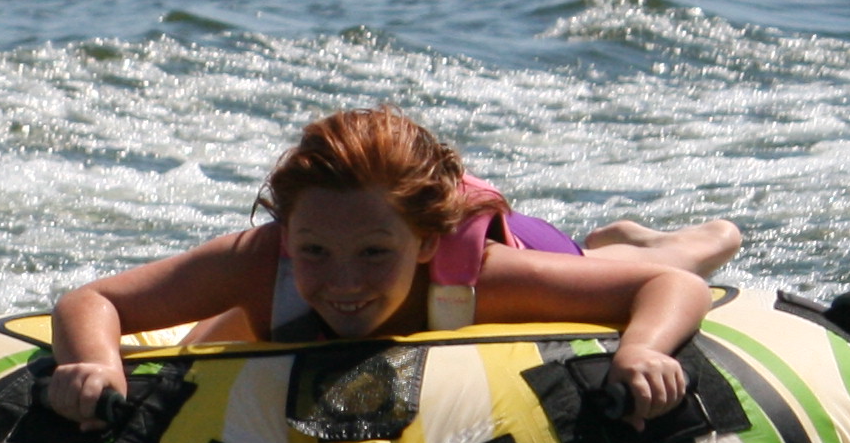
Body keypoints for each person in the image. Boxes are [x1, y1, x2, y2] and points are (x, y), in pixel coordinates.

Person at [45, 108, 721, 423]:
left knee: (650, 259)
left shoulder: (484, 280)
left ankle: (677, 236)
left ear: (424, 242)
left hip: (537, 249)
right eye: (315, 250)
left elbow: (672, 288)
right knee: (223, 333)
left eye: (374, 253)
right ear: (289, 235)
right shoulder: (260, 261)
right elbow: (92, 302)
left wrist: (642, 349)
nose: (344, 281)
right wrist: (96, 365)